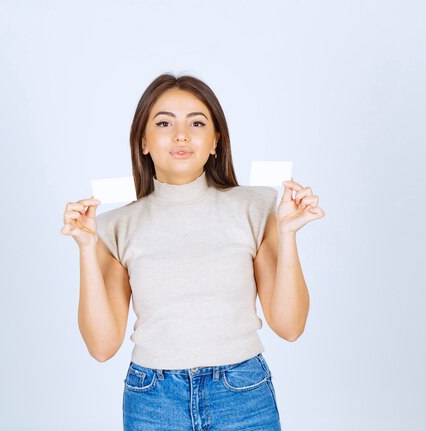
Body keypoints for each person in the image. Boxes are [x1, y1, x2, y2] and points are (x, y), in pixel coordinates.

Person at [60, 73, 325, 430]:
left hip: (242, 392)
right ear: (143, 141)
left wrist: (288, 233)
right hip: (153, 400)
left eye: (196, 122)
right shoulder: (114, 226)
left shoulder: (258, 207)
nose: (181, 135)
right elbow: (102, 346)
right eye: (164, 122)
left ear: (216, 141)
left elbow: (290, 326)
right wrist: (87, 249)